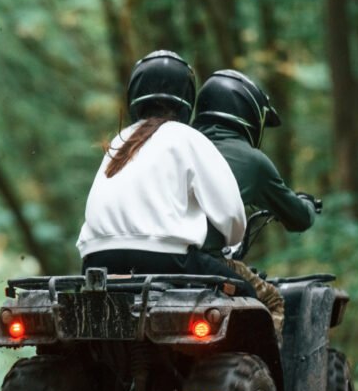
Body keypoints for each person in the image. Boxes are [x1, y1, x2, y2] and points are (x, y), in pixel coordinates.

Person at [76, 51, 256, 297]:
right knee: (248, 295)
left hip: (96, 262)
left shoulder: (120, 142)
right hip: (166, 260)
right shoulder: (187, 137)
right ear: (187, 97)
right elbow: (232, 217)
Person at [192, 69, 319, 336]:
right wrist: (305, 203)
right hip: (205, 262)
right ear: (248, 114)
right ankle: (265, 375)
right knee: (272, 301)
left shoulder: (180, 144)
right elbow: (299, 218)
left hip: (157, 262)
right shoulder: (252, 160)